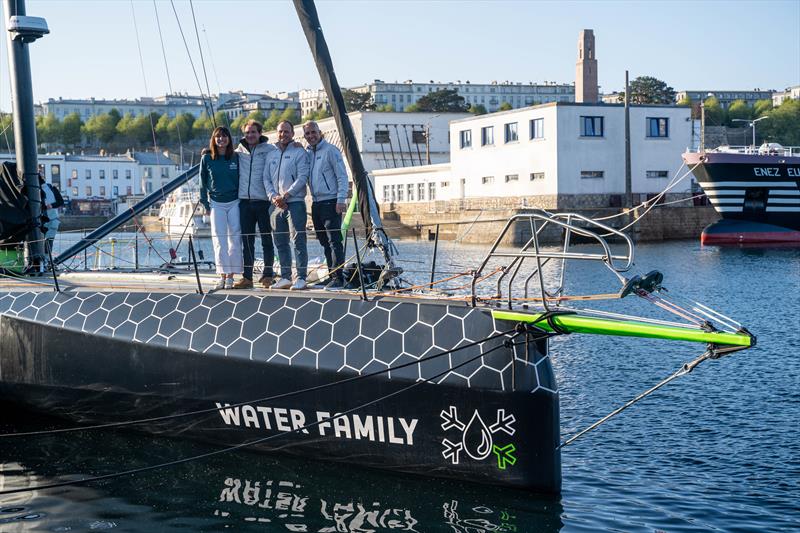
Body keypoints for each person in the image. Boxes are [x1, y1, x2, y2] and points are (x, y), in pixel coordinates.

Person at [264, 120, 310, 290]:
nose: (283, 134)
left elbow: (302, 176)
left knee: (298, 240)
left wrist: (287, 195)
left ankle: (301, 277)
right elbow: (266, 178)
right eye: (280, 131)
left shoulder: (299, 152)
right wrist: (274, 196)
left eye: (286, 131)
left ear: (292, 133)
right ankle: (285, 276)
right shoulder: (271, 154)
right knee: (280, 242)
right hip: (275, 204)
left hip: (295, 202)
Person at [303, 120, 348, 289]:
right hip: (316, 203)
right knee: (324, 241)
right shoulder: (308, 153)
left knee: (334, 241)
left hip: (331, 201)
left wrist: (341, 199)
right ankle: (331, 275)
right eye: (307, 134)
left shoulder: (331, 151)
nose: (311, 136)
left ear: (319, 132)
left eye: (313, 132)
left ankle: (339, 277)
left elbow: (342, 176)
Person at [233, 120, 276, 289]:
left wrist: (295, 145)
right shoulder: (239, 151)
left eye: (253, 132)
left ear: (260, 133)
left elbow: (282, 152)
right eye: (247, 133)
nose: (250, 135)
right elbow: (222, 153)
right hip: (244, 202)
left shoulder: (270, 150)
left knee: (267, 239)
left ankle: (267, 275)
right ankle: (247, 277)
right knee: (247, 242)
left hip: (264, 202)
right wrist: (207, 152)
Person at [199, 126, 242, 290]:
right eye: (218, 137)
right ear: (214, 139)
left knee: (235, 238)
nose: (221, 139)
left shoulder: (236, 157)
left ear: (229, 139)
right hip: (216, 203)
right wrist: (205, 203)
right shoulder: (207, 159)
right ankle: (222, 275)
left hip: (235, 202)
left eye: (224, 137)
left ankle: (232, 275)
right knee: (219, 239)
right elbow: (202, 183)